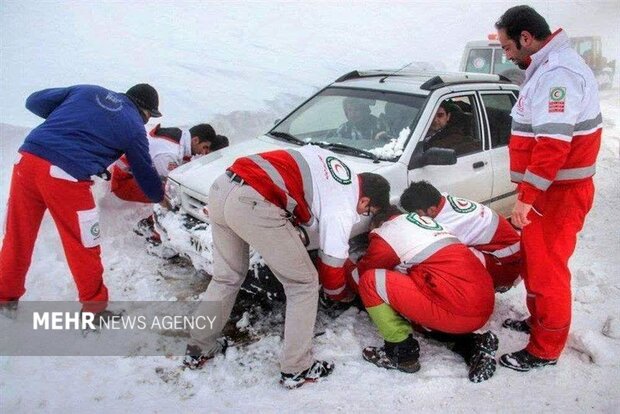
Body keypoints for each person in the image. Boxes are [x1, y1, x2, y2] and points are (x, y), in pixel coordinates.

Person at [183, 144, 390, 389]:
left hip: (222, 188)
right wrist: (340, 295)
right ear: (365, 199)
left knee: (226, 277)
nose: (363, 215)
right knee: (304, 283)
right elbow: (331, 265)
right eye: (368, 211)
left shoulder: (335, 167)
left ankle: (198, 347)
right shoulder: (344, 204)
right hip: (254, 201)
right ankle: (297, 368)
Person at [495, 5, 602, 371]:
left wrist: (527, 197)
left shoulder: (559, 74)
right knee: (534, 262)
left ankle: (546, 347)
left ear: (526, 38)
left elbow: (552, 145)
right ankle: (538, 321)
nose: (507, 55)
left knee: (547, 271)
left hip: (558, 194)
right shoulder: (547, 68)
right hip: (548, 191)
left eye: (508, 47)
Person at [0, 83, 164, 315]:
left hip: (26, 161)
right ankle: (95, 311)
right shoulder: (134, 126)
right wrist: (160, 197)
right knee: (83, 243)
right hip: (65, 176)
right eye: (149, 116)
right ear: (145, 112)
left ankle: (4, 299)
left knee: (17, 236)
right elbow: (144, 171)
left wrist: (76, 119)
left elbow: (34, 101)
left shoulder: (88, 91)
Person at [349, 206, 498, 383]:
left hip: (458, 310)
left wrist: (345, 269)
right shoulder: (431, 226)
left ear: (379, 224)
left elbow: (364, 273)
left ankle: (401, 354)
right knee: (416, 311)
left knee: (371, 281)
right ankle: (473, 344)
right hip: (482, 302)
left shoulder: (387, 232)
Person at [400, 181, 521, 292]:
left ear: (431, 210)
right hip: (509, 253)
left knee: (447, 259)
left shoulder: (450, 224)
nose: (415, 217)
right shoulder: (444, 200)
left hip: (509, 265)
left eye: (416, 213)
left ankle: (482, 290)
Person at [111, 123, 227, 204]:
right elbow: (172, 184)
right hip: (124, 181)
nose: (203, 152)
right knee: (173, 194)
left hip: (132, 173)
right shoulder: (170, 153)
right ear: (195, 140)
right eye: (204, 147)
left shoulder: (181, 137)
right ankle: (153, 227)